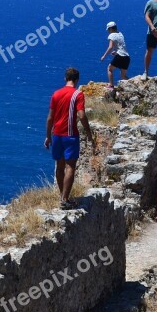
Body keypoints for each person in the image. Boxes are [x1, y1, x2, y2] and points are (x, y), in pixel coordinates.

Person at [44, 67, 96, 209]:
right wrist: (88, 133)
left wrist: (48, 136)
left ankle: (63, 196)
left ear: (65, 78)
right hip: (70, 135)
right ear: (77, 79)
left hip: (57, 135)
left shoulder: (56, 94)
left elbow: (50, 118)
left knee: (59, 166)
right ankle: (65, 198)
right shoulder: (77, 94)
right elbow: (81, 115)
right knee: (70, 166)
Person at [100, 21, 130, 88]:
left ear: (110, 29)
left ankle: (111, 85)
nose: (108, 31)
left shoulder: (111, 35)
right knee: (123, 76)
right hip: (127, 57)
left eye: (108, 29)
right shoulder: (120, 34)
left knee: (109, 69)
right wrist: (116, 52)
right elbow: (121, 46)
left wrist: (104, 56)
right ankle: (133, 84)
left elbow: (110, 47)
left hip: (120, 56)